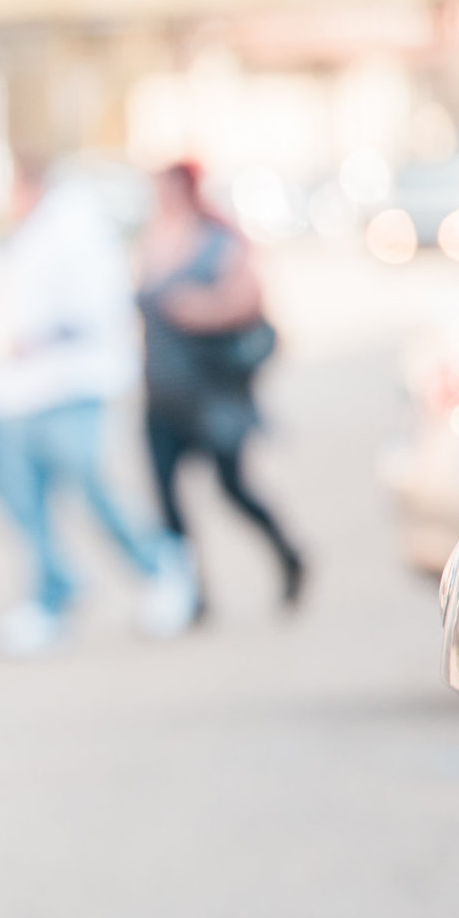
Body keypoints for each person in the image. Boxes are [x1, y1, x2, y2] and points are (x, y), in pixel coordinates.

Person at [0, 159, 198, 656]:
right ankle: (52, 593)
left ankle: (160, 567)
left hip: (71, 384)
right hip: (21, 390)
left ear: (30, 184)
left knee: (90, 484)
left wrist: (37, 339)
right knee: (27, 499)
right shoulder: (27, 235)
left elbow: (96, 306)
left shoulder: (74, 227)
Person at [136, 160, 305, 613]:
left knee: (234, 491)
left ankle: (288, 556)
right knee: (166, 501)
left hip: (211, 396)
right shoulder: (153, 238)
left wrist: (199, 309)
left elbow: (250, 299)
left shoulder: (218, 239)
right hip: (161, 395)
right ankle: (191, 595)